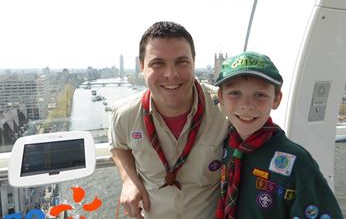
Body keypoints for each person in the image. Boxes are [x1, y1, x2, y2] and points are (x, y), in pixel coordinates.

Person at [108, 21, 229, 218]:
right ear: (142, 66)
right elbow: (118, 145)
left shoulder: (224, 108)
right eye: (158, 63)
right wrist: (128, 179)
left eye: (181, 62)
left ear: (194, 62)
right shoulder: (126, 115)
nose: (171, 74)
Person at [214, 51, 343, 218]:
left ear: (276, 99)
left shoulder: (298, 163)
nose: (246, 105)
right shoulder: (216, 145)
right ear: (221, 97)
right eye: (235, 93)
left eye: (260, 95)